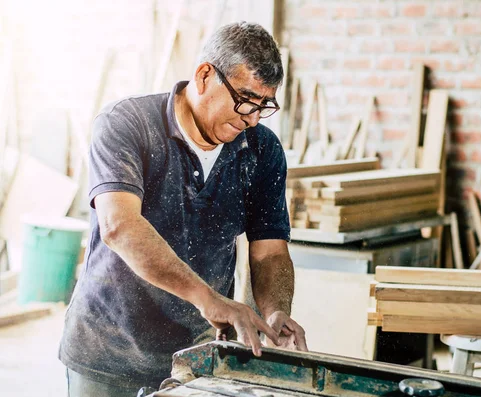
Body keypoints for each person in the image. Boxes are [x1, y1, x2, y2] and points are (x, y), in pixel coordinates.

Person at [59, 21, 307, 396]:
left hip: (197, 355)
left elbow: (270, 251)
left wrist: (275, 310)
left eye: (264, 105)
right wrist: (209, 299)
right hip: (109, 350)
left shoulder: (262, 150)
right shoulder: (127, 124)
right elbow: (119, 225)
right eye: (244, 99)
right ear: (205, 75)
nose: (252, 118)